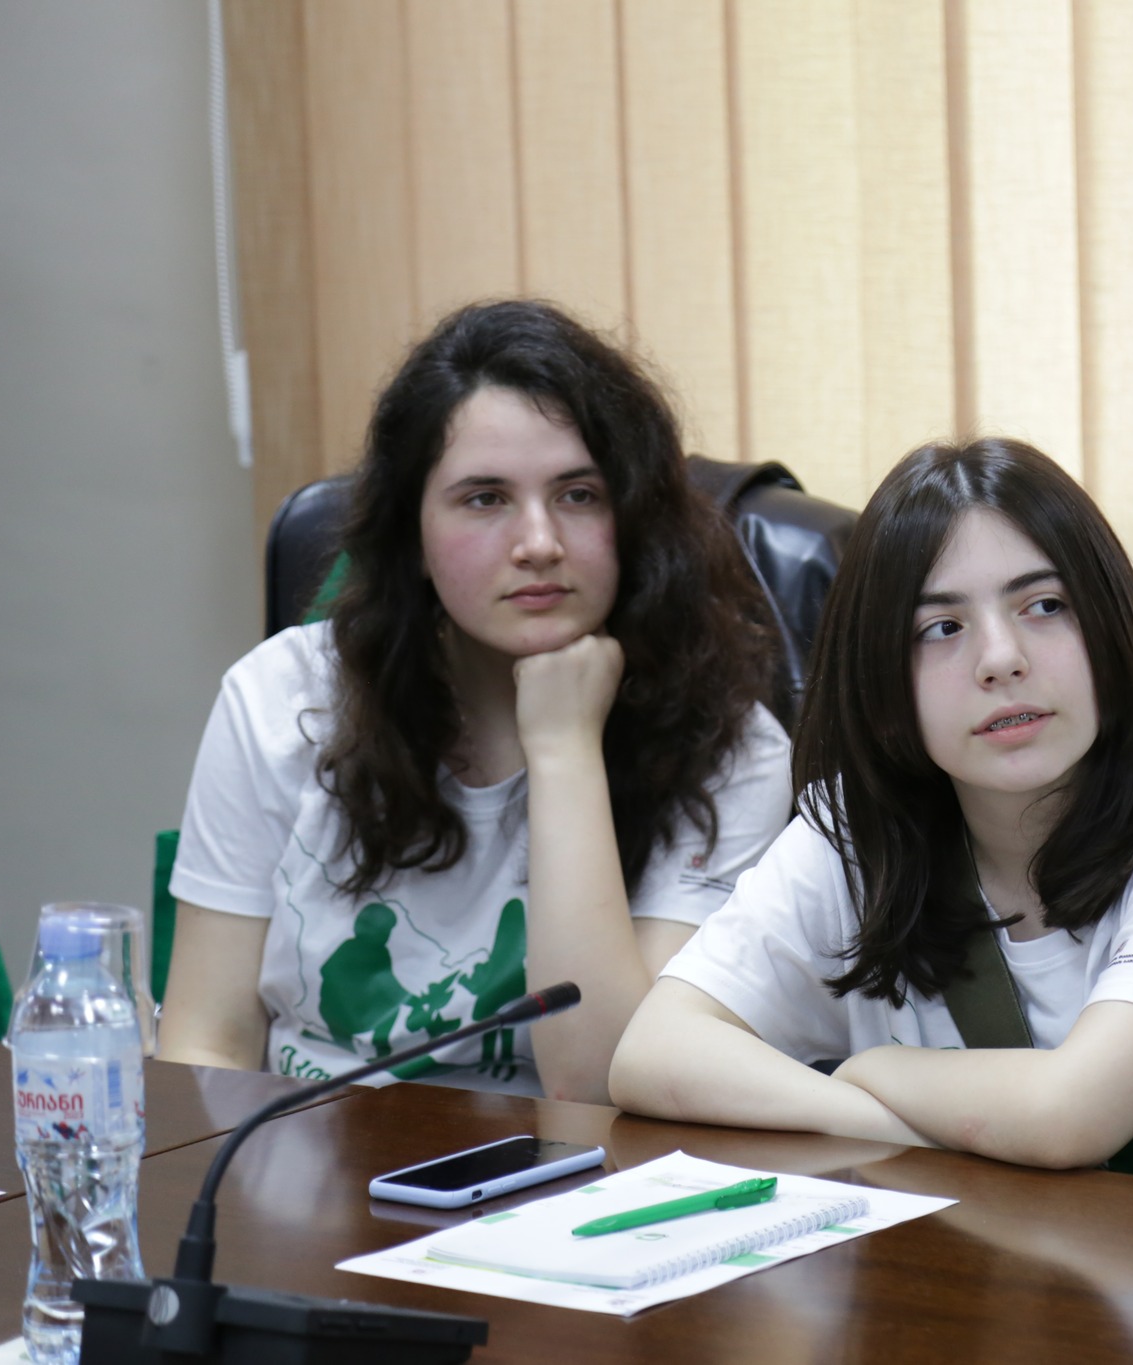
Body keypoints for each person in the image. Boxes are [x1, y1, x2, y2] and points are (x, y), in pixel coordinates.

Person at [608, 437, 1133, 1167]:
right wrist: (872, 1118)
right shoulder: (857, 837)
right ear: (883, 681)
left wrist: (879, 1068)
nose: (1001, 659)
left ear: (1112, 628)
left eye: (1045, 605)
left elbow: (1070, 1115)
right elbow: (652, 1050)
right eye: (942, 628)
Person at [157, 300, 793, 1104]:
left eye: (579, 495)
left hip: (557, 1171)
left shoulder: (731, 752)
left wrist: (563, 749)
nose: (539, 543)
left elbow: (599, 1083)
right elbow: (206, 1041)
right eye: (485, 499)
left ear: (634, 518)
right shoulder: (279, 698)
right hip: (295, 1152)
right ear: (414, 537)